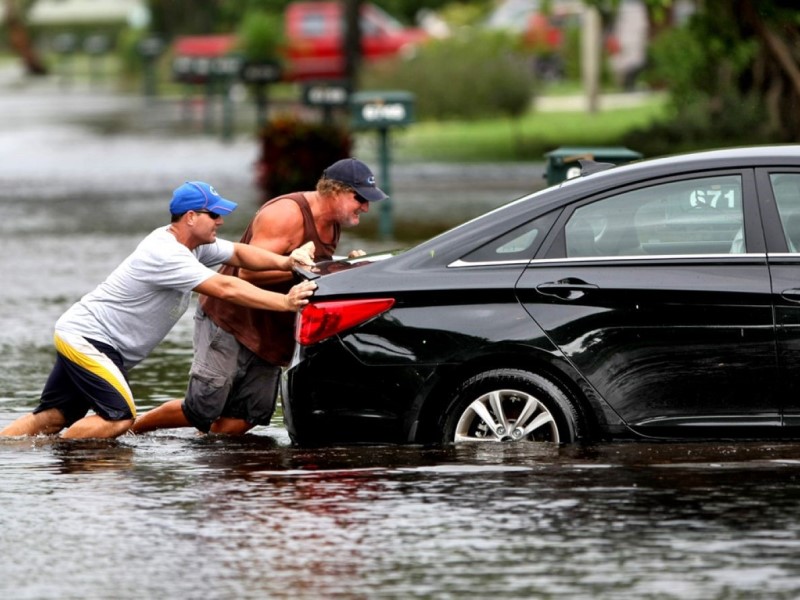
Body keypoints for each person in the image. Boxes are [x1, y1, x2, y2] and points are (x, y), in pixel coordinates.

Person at [0, 181, 317, 440]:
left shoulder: (193, 245)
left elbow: (240, 254)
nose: (221, 221)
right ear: (191, 217)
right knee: (119, 418)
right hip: (88, 339)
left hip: (88, 338)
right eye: (214, 215)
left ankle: (11, 451)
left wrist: (287, 261)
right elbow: (226, 287)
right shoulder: (166, 253)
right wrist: (284, 302)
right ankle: (62, 462)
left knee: (53, 418)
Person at [132, 158, 388, 436]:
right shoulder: (286, 214)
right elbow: (248, 275)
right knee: (201, 408)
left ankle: (205, 462)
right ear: (335, 191)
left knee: (248, 416)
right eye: (359, 198)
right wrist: (317, 270)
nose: (365, 206)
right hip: (230, 320)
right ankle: (131, 430)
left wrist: (344, 267)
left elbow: (312, 269)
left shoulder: (332, 221)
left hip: (270, 327)